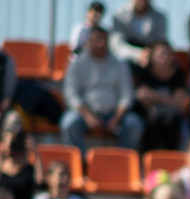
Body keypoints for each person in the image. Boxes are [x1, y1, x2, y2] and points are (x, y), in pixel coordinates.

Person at [59, 26, 144, 154]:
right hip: (84, 114)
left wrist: (117, 118)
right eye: (98, 39)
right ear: (89, 41)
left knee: (134, 124)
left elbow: (126, 94)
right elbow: (71, 94)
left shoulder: (120, 64)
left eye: (105, 39)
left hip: (114, 114)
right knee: (69, 123)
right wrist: (87, 115)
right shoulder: (77, 64)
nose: (102, 43)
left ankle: (121, 161)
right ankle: (80, 162)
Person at [133, 41, 189, 152]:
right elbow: (142, 95)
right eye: (161, 54)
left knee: (180, 128)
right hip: (148, 118)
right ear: (152, 57)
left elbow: (180, 101)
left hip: (172, 118)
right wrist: (168, 99)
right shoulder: (145, 72)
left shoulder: (178, 74)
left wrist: (155, 98)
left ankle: (170, 159)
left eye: (168, 54)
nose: (164, 57)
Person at [110, 0, 169, 71]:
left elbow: (160, 43)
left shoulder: (160, 18)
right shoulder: (119, 15)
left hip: (150, 62)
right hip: (126, 63)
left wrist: (149, 54)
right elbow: (117, 46)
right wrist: (138, 54)